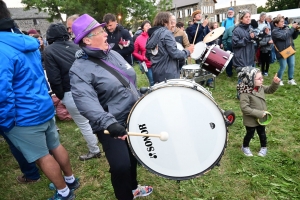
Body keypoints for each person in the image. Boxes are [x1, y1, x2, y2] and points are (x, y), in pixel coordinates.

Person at [0, 1, 79, 199]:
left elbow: (3, 92)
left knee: (42, 156)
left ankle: (64, 192)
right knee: (55, 145)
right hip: (42, 105)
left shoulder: (2, 48)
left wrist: (5, 121)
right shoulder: (24, 40)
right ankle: (70, 180)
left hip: (24, 115)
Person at [70, 14, 153, 200]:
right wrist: (108, 123)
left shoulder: (113, 53)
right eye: (100, 31)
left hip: (132, 116)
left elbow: (126, 80)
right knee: (120, 165)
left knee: (132, 158)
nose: (106, 33)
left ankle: (133, 188)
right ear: (87, 39)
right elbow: (85, 101)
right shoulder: (79, 69)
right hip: (110, 124)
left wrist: (140, 96)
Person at [44, 23, 102, 161]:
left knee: (84, 123)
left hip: (71, 91)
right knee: (96, 118)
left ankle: (94, 150)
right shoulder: (77, 46)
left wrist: (61, 96)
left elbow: (54, 77)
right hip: (89, 88)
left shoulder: (49, 51)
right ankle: (103, 142)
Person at [237, 67, 280, 157]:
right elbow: (244, 108)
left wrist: (275, 83)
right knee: (250, 133)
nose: (262, 80)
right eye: (259, 78)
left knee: (262, 133)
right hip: (251, 119)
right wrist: (259, 114)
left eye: (262, 78)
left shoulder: (259, 87)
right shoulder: (245, 92)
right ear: (250, 80)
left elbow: (269, 90)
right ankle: (245, 147)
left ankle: (264, 147)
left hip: (262, 118)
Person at [146, 12, 194, 83]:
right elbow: (175, 53)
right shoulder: (166, 33)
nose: (172, 24)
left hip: (157, 73)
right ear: (165, 23)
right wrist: (188, 51)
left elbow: (147, 55)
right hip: (169, 74)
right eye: (170, 22)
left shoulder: (152, 35)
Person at [272, 17, 299, 86]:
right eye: (281, 22)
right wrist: (292, 28)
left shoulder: (286, 28)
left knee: (291, 65)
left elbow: (293, 37)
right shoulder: (275, 31)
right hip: (281, 52)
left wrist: (296, 30)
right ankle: (278, 80)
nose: (283, 23)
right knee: (283, 66)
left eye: (283, 21)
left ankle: (290, 79)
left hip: (290, 49)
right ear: (276, 24)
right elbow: (284, 36)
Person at [132, 20, 154, 86]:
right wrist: (143, 58)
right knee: (152, 81)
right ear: (143, 28)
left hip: (157, 63)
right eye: (146, 25)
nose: (149, 27)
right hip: (147, 64)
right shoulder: (138, 39)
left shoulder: (154, 35)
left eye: (149, 25)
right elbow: (134, 52)